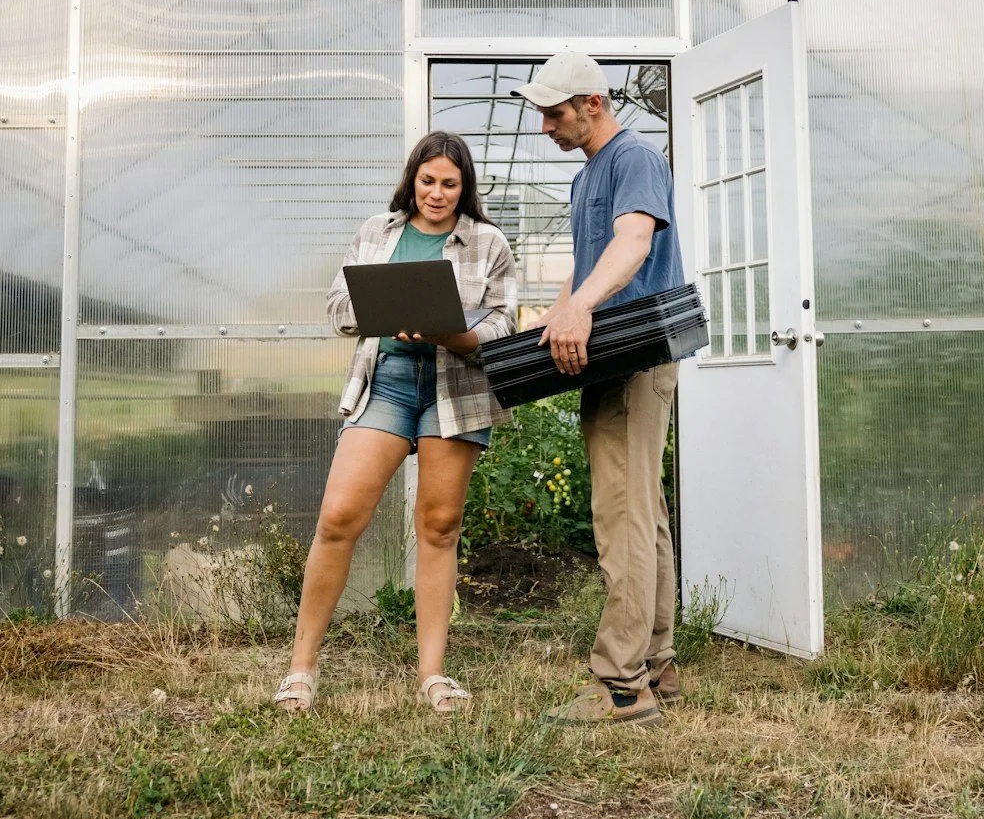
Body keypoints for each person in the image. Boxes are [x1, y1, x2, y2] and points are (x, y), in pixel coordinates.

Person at [273, 131, 517, 716]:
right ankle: (300, 669)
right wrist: (383, 309)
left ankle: (432, 674)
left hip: (454, 390)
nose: (436, 194)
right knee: (338, 517)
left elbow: (505, 325)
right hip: (386, 383)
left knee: (438, 525)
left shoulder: (488, 243)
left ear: (465, 188)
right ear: (412, 179)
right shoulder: (377, 233)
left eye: (449, 184)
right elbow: (338, 307)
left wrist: (451, 333)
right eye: (427, 181)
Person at [517, 51, 687, 727]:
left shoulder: (633, 158)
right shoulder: (589, 175)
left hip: (634, 355)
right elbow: (589, 263)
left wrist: (581, 307)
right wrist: (555, 309)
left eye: (555, 113)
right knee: (644, 509)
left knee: (622, 512)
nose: (545, 128)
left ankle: (622, 682)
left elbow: (633, 244)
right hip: (608, 355)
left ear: (594, 101)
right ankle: (659, 662)